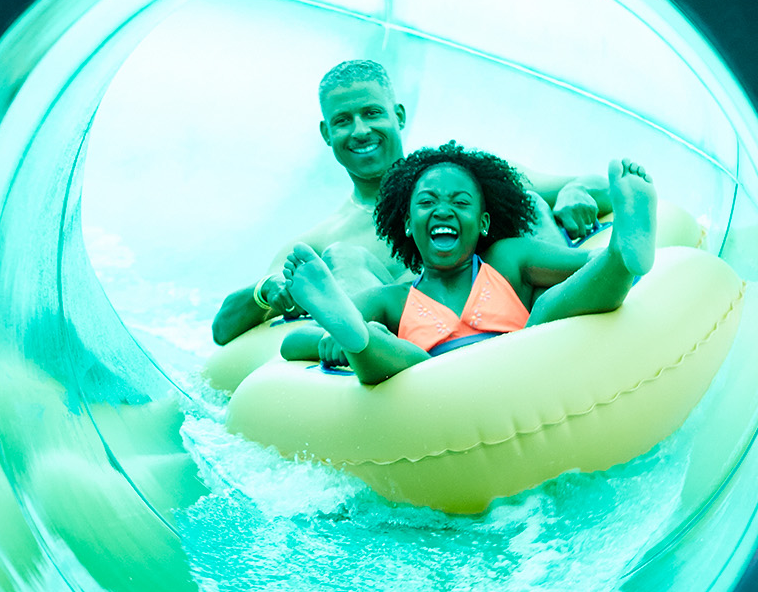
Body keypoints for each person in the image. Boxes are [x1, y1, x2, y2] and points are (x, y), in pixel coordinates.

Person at [208, 60, 611, 346]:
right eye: (343, 121)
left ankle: (573, 308)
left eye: (372, 113)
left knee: (528, 200)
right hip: (421, 363)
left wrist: (576, 193)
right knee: (344, 258)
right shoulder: (326, 238)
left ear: (398, 115)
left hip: (526, 326)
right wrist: (267, 292)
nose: (360, 130)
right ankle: (365, 341)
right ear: (325, 133)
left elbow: (595, 183)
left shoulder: (462, 179)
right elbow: (223, 327)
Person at [277, 143, 657, 385]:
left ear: (484, 222)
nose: (443, 210)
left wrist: (599, 255)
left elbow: (582, 266)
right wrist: (329, 340)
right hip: (432, 383)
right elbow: (293, 344)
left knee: (547, 306)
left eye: (460, 203)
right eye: (426, 203)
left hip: (524, 359)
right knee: (395, 349)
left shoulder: (508, 258)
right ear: (407, 224)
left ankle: (623, 255)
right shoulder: (391, 299)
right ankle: (358, 340)